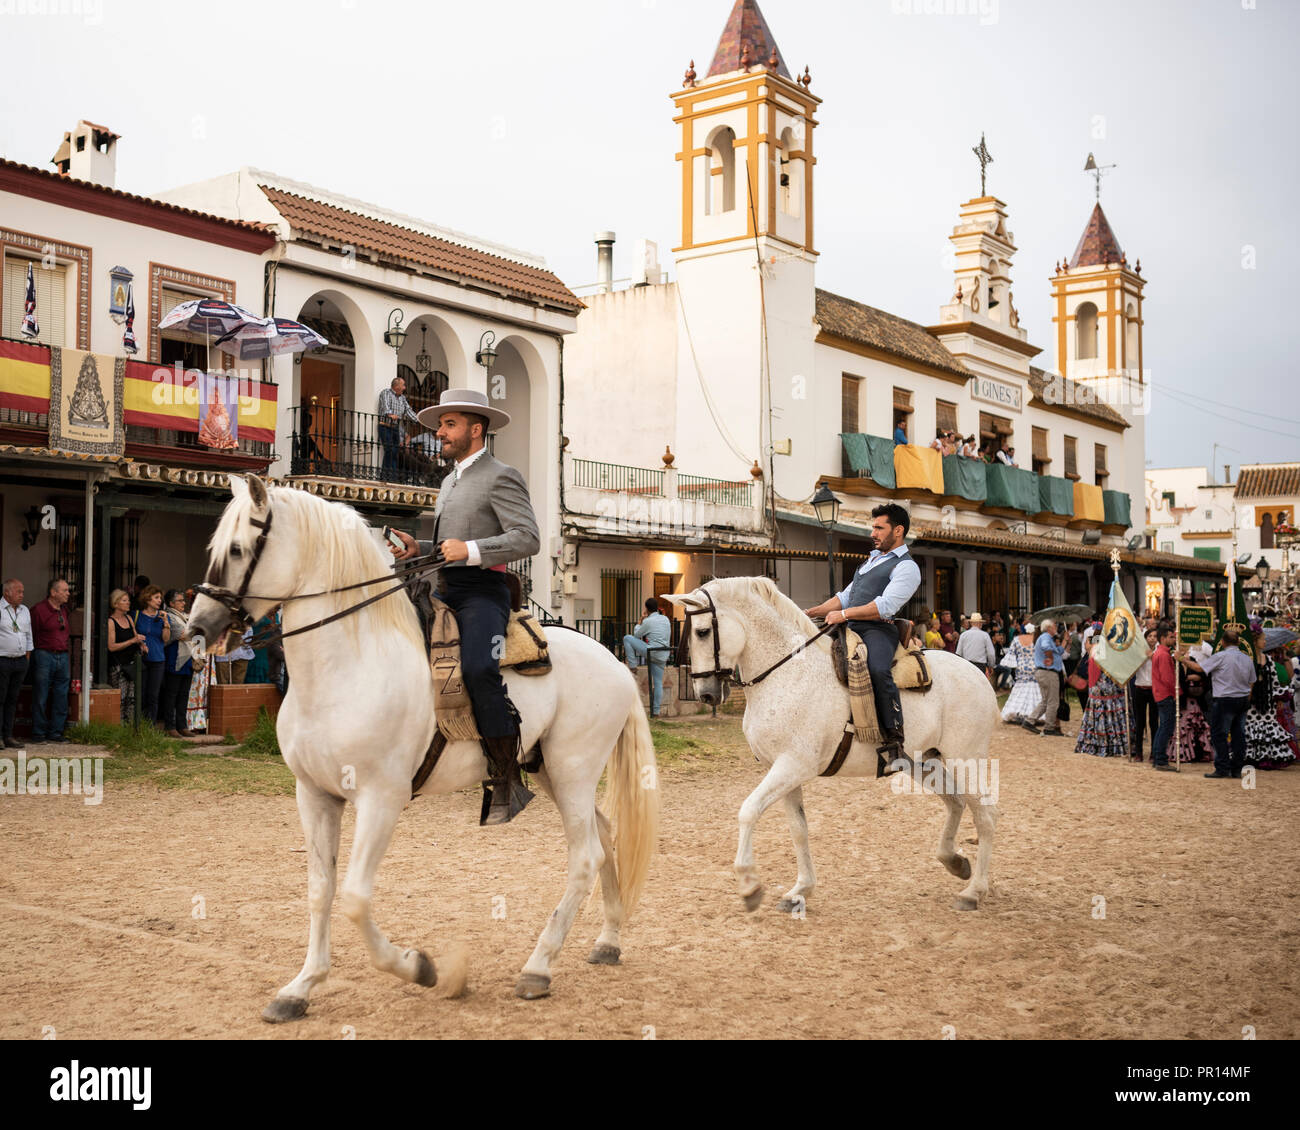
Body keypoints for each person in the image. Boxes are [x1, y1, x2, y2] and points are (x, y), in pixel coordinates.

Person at [391, 386, 541, 825]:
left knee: (478, 668)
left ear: (476, 430)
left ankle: (507, 775)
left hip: (482, 592)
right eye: (441, 424)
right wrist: (416, 548)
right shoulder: (447, 480)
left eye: (449, 424)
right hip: (441, 588)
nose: (440, 431)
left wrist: (471, 549)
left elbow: (527, 537)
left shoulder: (501, 475)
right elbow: (446, 548)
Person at [803, 503, 921, 770]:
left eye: (879, 527)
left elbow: (886, 606)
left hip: (879, 629)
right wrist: (811, 612)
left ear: (898, 531)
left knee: (878, 669)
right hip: (850, 625)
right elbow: (844, 597)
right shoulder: (871, 560)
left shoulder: (907, 567)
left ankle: (894, 740)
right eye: (873, 527)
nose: (873, 533)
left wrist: (844, 615)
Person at [1179, 630, 1256, 779]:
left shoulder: (1220, 656)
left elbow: (1199, 669)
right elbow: (1252, 680)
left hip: (1225, 699)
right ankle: (1236, 769)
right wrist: (1248, 698)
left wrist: (1181, 658)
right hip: (1242, 699)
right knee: (1238, 735)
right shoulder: (1247, 659)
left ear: (1223, 643)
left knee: (1219, 734)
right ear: (1238, 642)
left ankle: (1222, 768)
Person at [1240, 631, 1297, 770]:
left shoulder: (1269, 660)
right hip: (1251, 701)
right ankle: (1250, 757)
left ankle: (1267, 757)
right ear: (1255, 641)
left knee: (1268, 726)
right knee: (1251, 726)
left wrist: (1278, 697)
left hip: (1267, 701)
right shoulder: (1247, 658)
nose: (1265, 642)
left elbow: (1274, 681)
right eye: (1262, 639)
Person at [30, 577, 72, 743]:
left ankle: (56, 732)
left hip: (62, 655)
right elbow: (31, 634)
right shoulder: (38, 610)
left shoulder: (64, 610)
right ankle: (38, 732)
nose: (68, 593)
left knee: (61, 695)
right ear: (53, 592)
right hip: (44, 654)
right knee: (41, 694)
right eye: (65, 590)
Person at [1074, 651, 1130, 757]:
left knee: (1104, 719)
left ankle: (1104, 745)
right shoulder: (1097, 655)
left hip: (1106, 695)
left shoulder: (1100, 655)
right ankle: (1107, 745)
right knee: (1104, 719)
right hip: (1102, 695)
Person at [624, 597, 672, 717]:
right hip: (663, 654)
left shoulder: (648, 621)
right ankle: (656, 712)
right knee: (658, 683)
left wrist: (640, 621)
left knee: (627, 638)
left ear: (647, 609)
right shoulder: (666, 619)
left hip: (652, 652)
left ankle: (633, 666)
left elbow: (637, 634)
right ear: (657, 607)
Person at [0, 579, 32, 748]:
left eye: (22, 592)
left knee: (12, 699)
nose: (22, 595)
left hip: (19, 661)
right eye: (18, 591)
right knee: (1, 698)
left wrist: (26, 658)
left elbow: (29, 636)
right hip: (2, 660)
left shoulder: (24, 610)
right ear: (7, 593)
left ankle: (8, 735)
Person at [105, 588, 144, 724]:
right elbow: (111, 646)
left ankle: (131, 727)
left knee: (132, 698)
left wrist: (141, 644)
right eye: (124, 600)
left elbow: (135, 637)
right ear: (116, 603)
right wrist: (132, 641)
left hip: (131, 664)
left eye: (128, 600)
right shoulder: (111, 622)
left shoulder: (129, 618)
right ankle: (119, 725)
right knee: (120, 698)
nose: (128, 603)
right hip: (118, 666)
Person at [159, 590, 195, 737]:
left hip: (187, 659)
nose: (183, 603)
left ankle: (182, 725)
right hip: (175, 657)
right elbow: (183, 634)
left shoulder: (185, 616)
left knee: (184, 694)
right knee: (171, 694)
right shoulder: (169, 616)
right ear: (172, 603)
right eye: (180, 600)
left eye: (183, 600)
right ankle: (170, 725)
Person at [1022, 617, 1065, 736]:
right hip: (1048, 672)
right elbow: (1047, 648)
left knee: (1046, 701)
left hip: (1043, 672)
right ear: (1049, 627)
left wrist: (1066, 642)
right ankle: (1049, 727)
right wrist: (1050, 657)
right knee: (1053, 701)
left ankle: (1030, 721)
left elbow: (1059, 652)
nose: (1056, 627)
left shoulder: (1046, 638)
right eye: (1055, 626)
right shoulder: (1046, 637)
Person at [135, 585, 170, 723]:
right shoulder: (136, 615)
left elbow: (166, 639)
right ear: (148, 599)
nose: (159, 600)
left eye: (160, 598)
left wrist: (166, 622)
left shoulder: (162, 617)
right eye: (156, 598)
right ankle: (139, 724)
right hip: (141, 659)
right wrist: (140, 643)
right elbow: (132, 634)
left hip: (158, 659)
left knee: (153, 695)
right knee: (141, 693)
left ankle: (151, 726)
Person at [377, 375, 420, 477]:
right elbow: (385, 406)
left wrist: (418, 420)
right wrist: (390, 414)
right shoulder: (386, 393)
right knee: (389, 450)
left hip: (395, 428)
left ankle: (392, 475)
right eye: (403, 385)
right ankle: (386, 475)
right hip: (385, 426)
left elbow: (408, 410)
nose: (405, 388)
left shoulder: (402, 398)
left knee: (395, 452)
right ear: (396, 386)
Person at [1149, 621, 1178, 771]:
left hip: (1160, 694)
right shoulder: (1163, 655)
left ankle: (1158, 757)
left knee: (1163, 727)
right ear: (1164, 638)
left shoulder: (1160, 653)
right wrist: (1176, 691)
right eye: (1171, 637)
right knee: (1166, 727)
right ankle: (1160, 758)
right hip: (1165, 694)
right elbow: (1167, 678)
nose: (1174, 639)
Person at [1000, 622, 1042, 725]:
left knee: (1020, 689)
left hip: (1022, 667)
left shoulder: (1017, 639)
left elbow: (1011, 653)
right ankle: (1033, 714)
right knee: (1034, 689)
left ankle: (1017, 711)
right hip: (1034, 666)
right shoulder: (1037, 640)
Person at [1129, 628, 1159, 761]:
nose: (1152, 638)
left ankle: (1154, 751)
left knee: (1154, 722)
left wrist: (1153, 657)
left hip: (1154, 690)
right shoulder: (1139, 651)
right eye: (1149, 636)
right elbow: (1131, 666)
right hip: (1140, 688)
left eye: (1154, 636)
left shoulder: (1160, 651)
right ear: (1145, 638)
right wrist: (1143, 657)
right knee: (1139, 722)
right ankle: (1139, 752)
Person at [1175, 666, 1214, 762]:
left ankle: (1199, 753)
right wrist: (1188, 678)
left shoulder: (1194, 661)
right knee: (1183, 728)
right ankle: (1185, 754)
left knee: (1198, 727)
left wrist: (1194, 677)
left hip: (1197, 702)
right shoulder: (1175, 662)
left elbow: (1204, 676)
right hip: (1182, 702)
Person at [956, 612, 996, 680]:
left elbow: (958, 653)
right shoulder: (985, 635)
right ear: (980, 624)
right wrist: (991, 666)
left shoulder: (963, 635)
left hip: (967, 666)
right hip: (980, 666)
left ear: (971, 623)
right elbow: (991, 654)